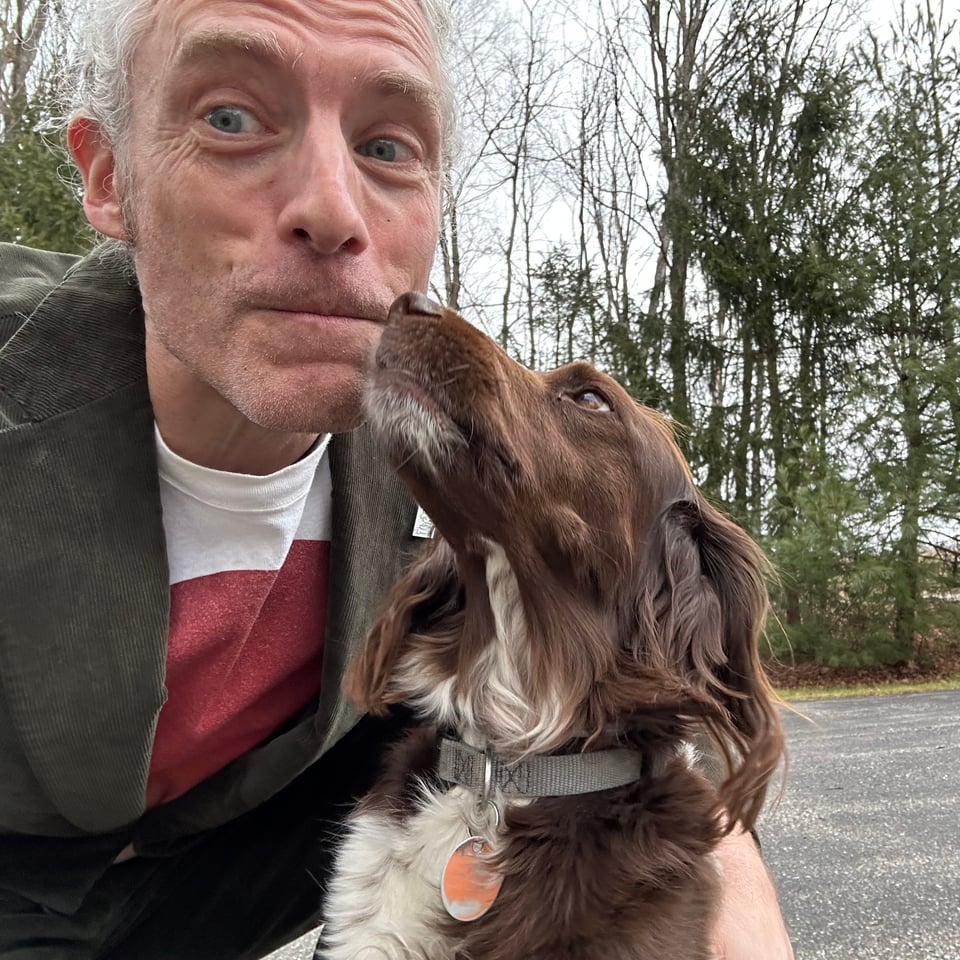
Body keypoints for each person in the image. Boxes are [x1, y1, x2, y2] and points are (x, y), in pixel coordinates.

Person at [0, 0, 794, 957]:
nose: (332, 210)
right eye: (231, 119)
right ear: (108, 176)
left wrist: (726, 883)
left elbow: (628, 602)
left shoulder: (436, 422)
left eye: (385, 143)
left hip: (212, 871)